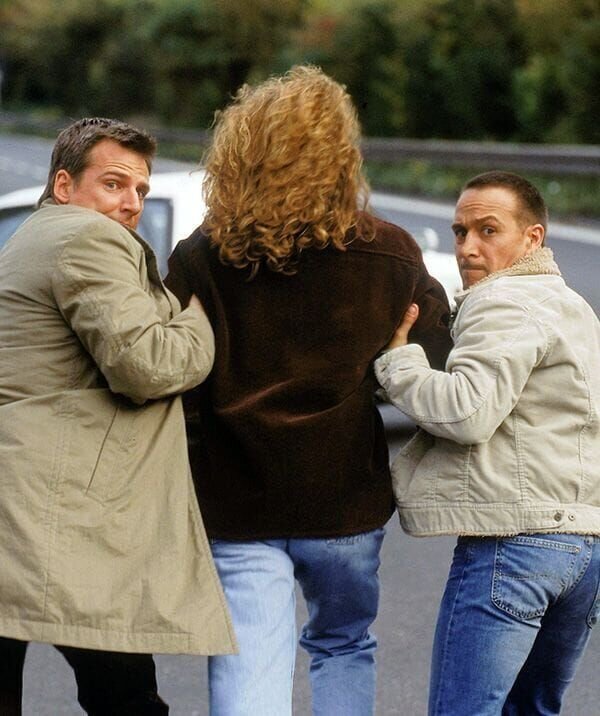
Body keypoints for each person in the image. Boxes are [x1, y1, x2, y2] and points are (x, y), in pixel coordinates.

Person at [164, 65, 452, 716]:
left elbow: (167, 365)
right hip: (343, 499)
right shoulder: (391, 252)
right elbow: (441, 357)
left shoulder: (204, 254)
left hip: (238, 498)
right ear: (342, 156)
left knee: (249, 657)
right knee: (343, 644)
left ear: (241, 154)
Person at [0, 118, 236, 715]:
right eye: (113, 184)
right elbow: (146, 366)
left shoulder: (30, 237)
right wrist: (197, 320)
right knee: (125, 696)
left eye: (141, 190)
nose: (131, 203)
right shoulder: (85, 237)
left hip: (21, 500)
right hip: (58, 513)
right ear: (64, 185)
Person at [374, 170, 600, 715]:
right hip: (584, 548)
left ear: (533, 237)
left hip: (515, 544)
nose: (468, 247)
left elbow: (467, 411)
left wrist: (399, 362)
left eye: (488, 230)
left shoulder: (502, 300)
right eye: (460, 231)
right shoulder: (572, 307)